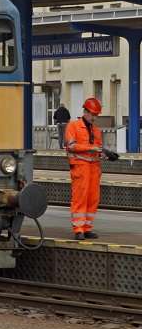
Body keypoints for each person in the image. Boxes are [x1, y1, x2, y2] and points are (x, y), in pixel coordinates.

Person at [65, 97, 105, 240]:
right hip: (80, 168)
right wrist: (90, 148)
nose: (95, 118)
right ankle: (78, 230)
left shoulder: (96, 130)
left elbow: (98, 149)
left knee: (93, 199)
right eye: (93, 115)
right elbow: (70, 146)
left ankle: (87, 228)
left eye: (96, 115)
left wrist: (104, 154)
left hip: (94, 169)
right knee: (80, 198)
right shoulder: (73, 126)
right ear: (85, 112)